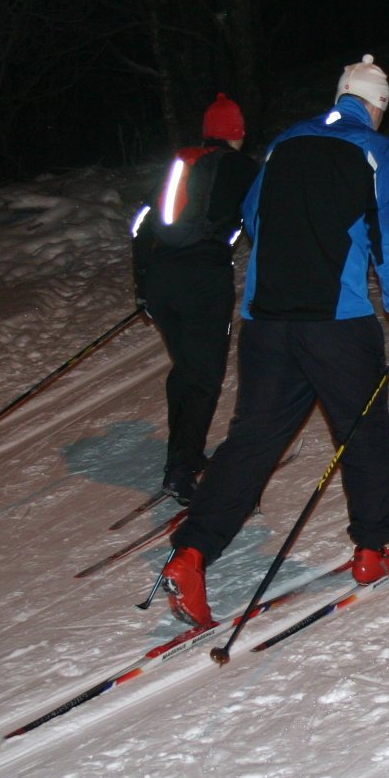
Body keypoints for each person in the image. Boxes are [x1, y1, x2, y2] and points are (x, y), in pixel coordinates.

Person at [160, 54, 389, 627]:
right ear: (376, 105)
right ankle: (373, 551)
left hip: (266, 324)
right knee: (363, 430)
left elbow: (255, 218)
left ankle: (193, 553)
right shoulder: (377, 152)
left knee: (253, 441)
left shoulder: (283, 144)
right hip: (337, 322)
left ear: (340, 95)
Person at [130, 93, 259, 506]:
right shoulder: (243, 168)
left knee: (186, 367)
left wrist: (143, 285)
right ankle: (182, 469)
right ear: (237, 134)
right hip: (204, 281)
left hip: (162, 278)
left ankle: (183, 454)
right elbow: (264, 221)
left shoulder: (181, 163)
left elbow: (141, 225)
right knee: (205, 376)